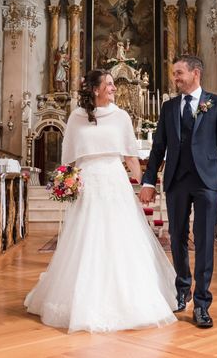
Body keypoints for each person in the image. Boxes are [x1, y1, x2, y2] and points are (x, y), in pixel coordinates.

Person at [25, 69, 178, 333]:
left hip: (114, 182)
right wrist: (65, 181)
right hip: (86, 183)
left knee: (120, 237)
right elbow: (68, 157)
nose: (114, 88)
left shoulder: (121, 117)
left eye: (113, 84)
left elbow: (130, 156)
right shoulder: (76, 117)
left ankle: (130, 299)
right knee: (87, 238)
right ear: (95, 89)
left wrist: (144, 185)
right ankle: (81, 300)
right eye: (108, 84)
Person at [139, 55, 217, 329]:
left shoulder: (216, 103)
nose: (176, 78)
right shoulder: (169, 107)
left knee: (205, 240)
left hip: (207, 181)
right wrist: (148, 182)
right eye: (174, 74)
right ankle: (182, 289)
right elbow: (159, 147)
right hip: (177, 180)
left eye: (179, 73)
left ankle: (203, 303)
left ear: (196, 73)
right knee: (177, 236)